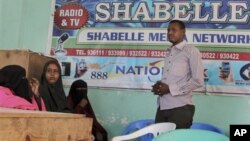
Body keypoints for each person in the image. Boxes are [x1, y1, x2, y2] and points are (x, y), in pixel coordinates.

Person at [152, 20, 204, 129]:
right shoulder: (170, 52)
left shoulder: (191, 51)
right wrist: (160, 86)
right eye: (168, 30)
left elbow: (198, 81)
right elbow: (175, 79)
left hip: (181, 108)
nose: (170, 33)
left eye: (174, 30)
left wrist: (170, 89)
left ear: (183, 32)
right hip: (162, 106)